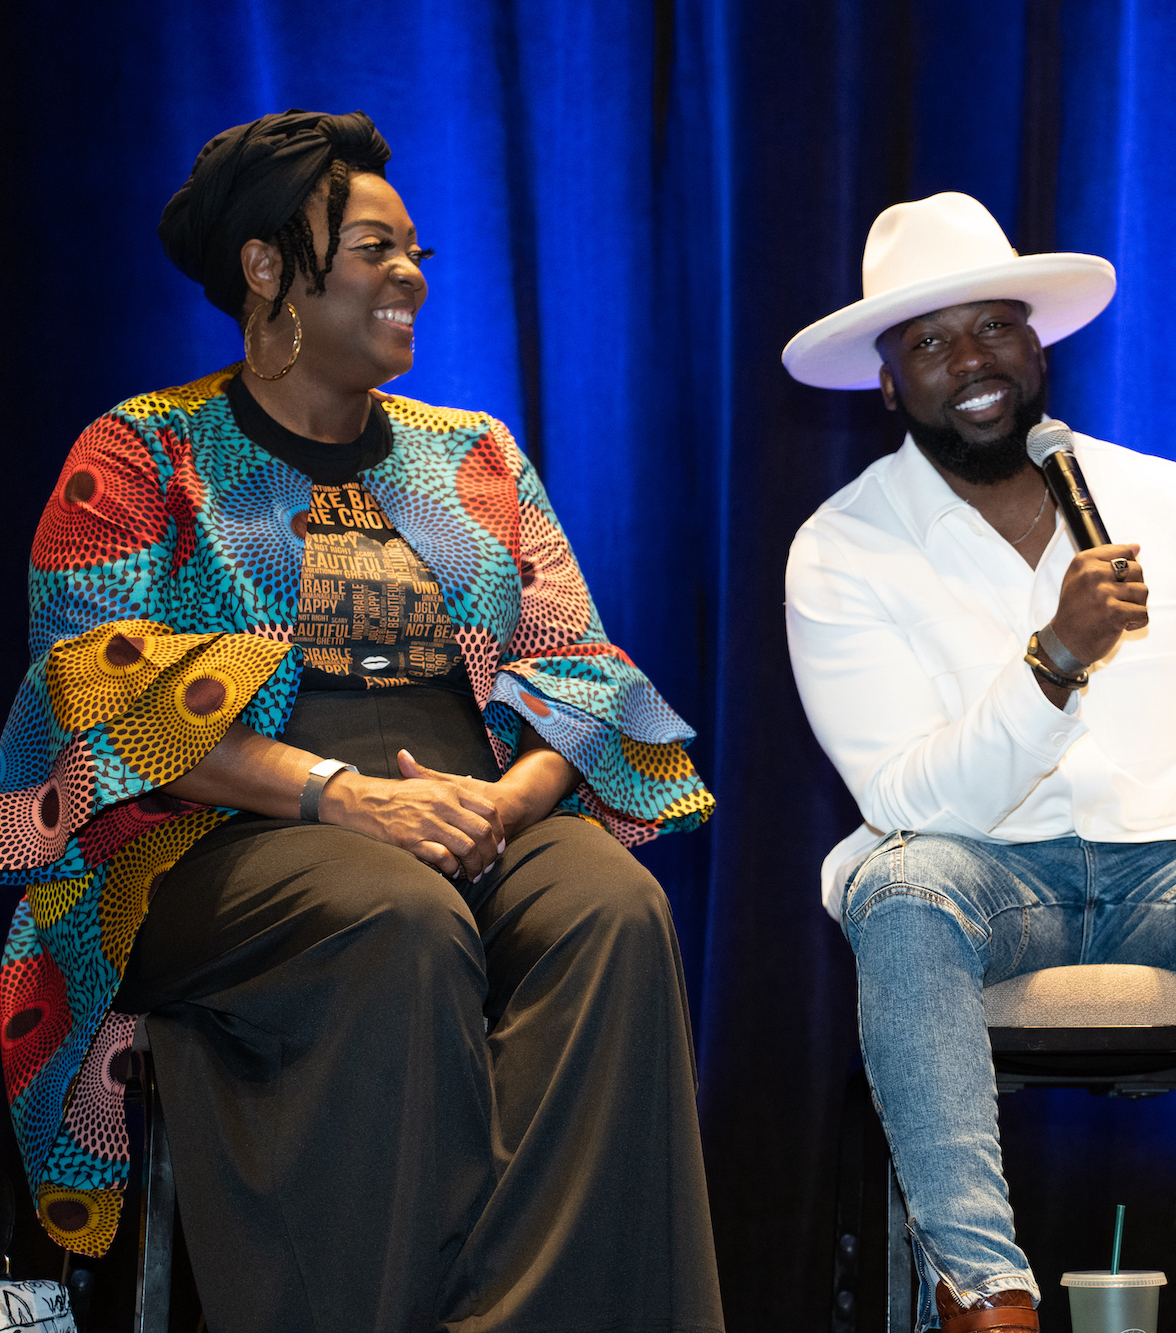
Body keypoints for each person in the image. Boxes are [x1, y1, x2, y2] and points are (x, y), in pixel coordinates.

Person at [0, 111, 724, 1331]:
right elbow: (96, 693)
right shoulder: (142, 452)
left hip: (472, 811)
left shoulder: (473, 455)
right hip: (214, 841)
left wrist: (511, 800)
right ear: (268, 267)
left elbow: (579, 668)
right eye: (375, 248)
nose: (410, 279)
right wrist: (344, 795)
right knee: (394, 914)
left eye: (416, 255)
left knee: (612, 907)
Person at [782, 192, 1176, 1333]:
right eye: (927, 342)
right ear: (884, 381)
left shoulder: (1163, 497)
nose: (969, 361)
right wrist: (1056, 659)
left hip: (1170, 861)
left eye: (993, 328)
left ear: (1037, 342)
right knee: (900, 888)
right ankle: (988, 1299)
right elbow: (908, 800)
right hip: (980, 873)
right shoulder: (841, 547)